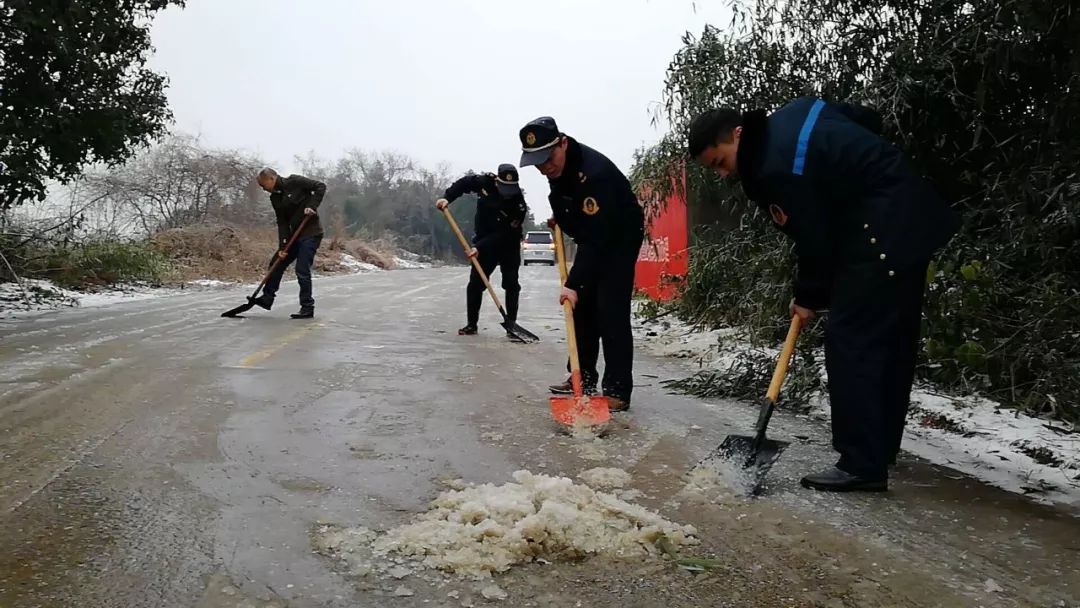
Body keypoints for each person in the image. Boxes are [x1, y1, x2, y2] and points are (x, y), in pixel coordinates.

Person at [687, 97, 960, 492]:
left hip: (879, 231)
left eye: (720, 162)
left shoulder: (777, 166)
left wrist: (808, 296)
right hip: (911, 219)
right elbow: (867, 118)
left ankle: (861, 464)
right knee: (891, 341)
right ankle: (878, 450)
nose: (725, 174)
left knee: (852, 343)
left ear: (738, 134)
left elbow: (816, 238)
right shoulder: (795, 114)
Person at [518, 116, 645, 412]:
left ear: (563, 143)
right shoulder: (561, 170)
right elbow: (570, 206)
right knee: (581, 309)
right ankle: (582, 378)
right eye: (537, 162)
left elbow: (599, 239)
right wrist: (561, 219)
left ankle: (616, 390)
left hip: (618, 239)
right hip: (594, 236)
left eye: (548, 158)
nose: (545, 167)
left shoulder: (594, 174)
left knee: (609, 308)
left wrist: (573, 284)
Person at [436, 164, 528, 336]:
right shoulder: (485, 182)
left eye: (511, 188)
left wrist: (479, 247)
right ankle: (472, 325)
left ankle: (512, 325)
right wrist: (447, 197)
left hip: (508, 244)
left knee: (511, 284)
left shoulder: (519, 205)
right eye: (504, 187)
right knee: (475, 285)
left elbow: (505, 234)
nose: (507, 192)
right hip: (484, 242)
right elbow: (464, 184)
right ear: (497, 181)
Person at [249, 168, 327, 319]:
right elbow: (282, 223)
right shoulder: (275, 198)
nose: (264, 189)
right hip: (294, 235)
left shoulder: (294, 182)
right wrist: (283, 247)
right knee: (277, 262)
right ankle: (267, 298)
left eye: (263, 185)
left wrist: (312, 206)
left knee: (302, 269)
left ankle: (307, 307)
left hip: (311, 233)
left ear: (271, 179)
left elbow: (320, 186)